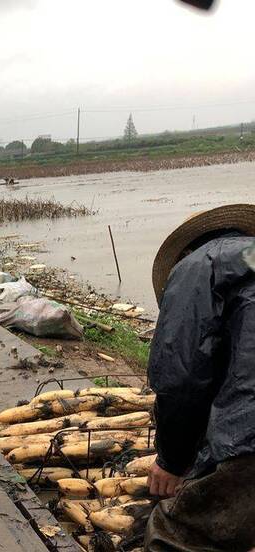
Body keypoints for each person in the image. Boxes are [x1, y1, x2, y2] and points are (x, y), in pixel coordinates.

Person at [145, 204, 255, 551]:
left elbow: (181, 377)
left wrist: (172, 462)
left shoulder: (199, 266)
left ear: (188, 250)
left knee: (172, 535)